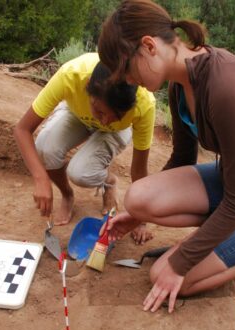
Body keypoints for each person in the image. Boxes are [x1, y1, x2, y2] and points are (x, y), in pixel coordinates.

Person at [98, 0, 235, 313]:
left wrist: (181, 262)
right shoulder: (179, 85)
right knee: (139, 198)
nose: (129, 82)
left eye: (126, 71)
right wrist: (139, 217)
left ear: (148, 46)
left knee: (166, 275)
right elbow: (183, 158)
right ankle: (233, 238)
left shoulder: (227, 86)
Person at [13, 53, 156, 244]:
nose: (104, 121)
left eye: (116, 115)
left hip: (115, 132)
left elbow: (139, 170)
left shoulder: (144, 105)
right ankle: (67, 194)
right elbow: (22, 129)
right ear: (87, 86)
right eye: (100, 111)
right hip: (77, 114)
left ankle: (109, 182)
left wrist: (141, 219)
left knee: (81, 173)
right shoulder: (70, 76)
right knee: (45, 149)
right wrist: (41, 178)